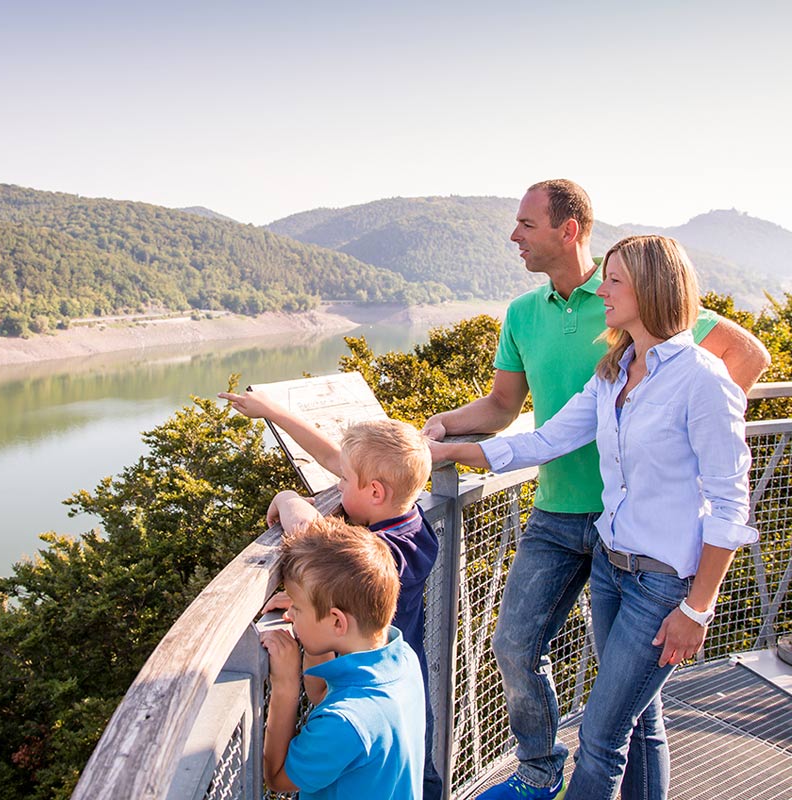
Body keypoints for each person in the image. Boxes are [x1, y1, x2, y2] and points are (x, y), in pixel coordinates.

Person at [422, 180, 769, 800]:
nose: (600, 293)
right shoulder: (612, 370)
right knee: (623, 712)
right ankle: (548, 772)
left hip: (662, 575)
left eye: (613, 283)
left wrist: (698, 605)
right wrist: (446, 447)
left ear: (649, 290)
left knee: (607, 736)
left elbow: (728, 498)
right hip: (608, 554)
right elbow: (538, 438)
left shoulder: (699, 377)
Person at [216, 389, 443, 799]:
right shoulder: (413, 525)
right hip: (387, 684)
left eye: (343, 482)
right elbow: (333, 458)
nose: (336, 485)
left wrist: (287, 499)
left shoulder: (386, 556)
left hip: (364, 704)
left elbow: (311, 536)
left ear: (376, 492)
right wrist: (271, 411)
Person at [260, 512, 425, 799]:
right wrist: (312, 612)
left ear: (337, 622)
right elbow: (321, 693)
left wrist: (285, 685)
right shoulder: (402, 659)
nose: (290, 614)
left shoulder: (344, 723)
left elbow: (277, 777)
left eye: (297, 608)